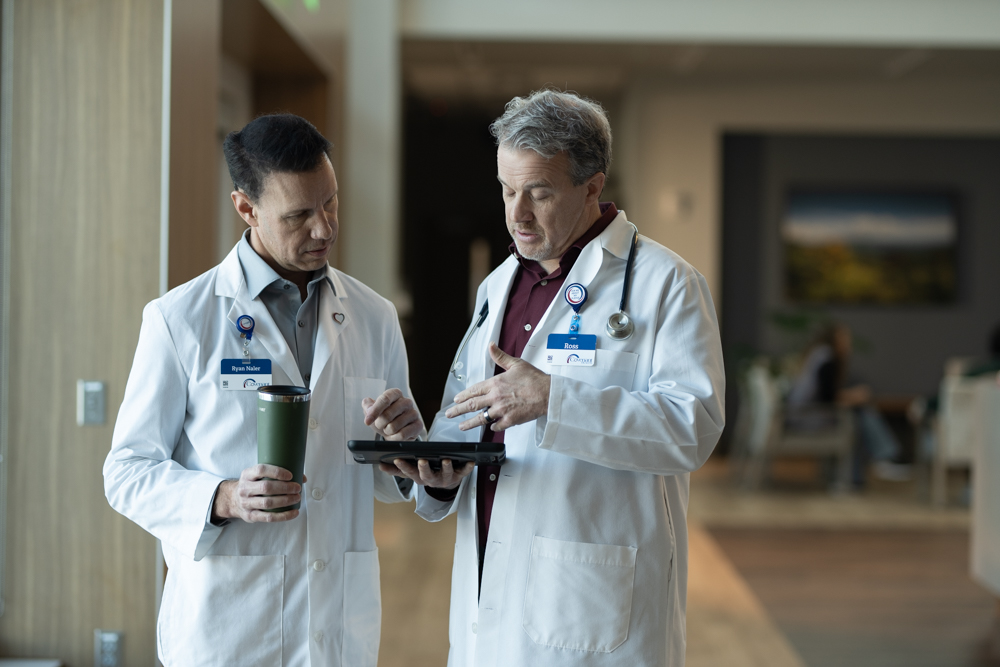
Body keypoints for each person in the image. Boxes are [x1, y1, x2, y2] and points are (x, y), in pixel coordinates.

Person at [383, 90, 725, 666]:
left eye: (538, 193)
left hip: (594, 595)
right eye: (507, 190)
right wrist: (435, 465)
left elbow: (694, 428)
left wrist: (554, 399)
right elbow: (470, 413)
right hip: (492, 577)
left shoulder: (666, 283)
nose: (516, 213)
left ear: (593, 187)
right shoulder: (497, 287)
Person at [104, 114, 422, 667]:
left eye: (331, 203)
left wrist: (403, 452)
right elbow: (126, 470)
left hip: (335, 624)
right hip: (229, 625)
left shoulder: (374, 317)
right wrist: (222, 498)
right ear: (246, 209)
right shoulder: (181, 319)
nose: (324, 228)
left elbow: (387, 481)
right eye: (299, 215)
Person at [786, 322, 906, 484]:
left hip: (803, 414)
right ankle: (882, 459)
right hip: (806, 417)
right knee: (858, 416)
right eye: (845, 338)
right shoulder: (826, 359)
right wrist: (854, 396)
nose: (849, 343)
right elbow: (828, 398)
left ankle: (861, 473)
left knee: (858, 416)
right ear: (834, 339)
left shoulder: (818, 355)